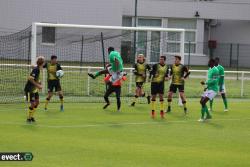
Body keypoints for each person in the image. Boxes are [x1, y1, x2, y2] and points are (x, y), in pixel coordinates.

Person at [24, 56, 45, 123]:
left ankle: (32, 117)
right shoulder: (36, 69)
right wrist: (38, 85)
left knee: (37, 102)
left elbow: (35, 78)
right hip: (30, 89)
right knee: (33, 104)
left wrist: (38, 82)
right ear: (42, 63)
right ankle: (29, 118)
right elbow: (30, 79)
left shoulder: (38, 69)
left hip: (34, 89)